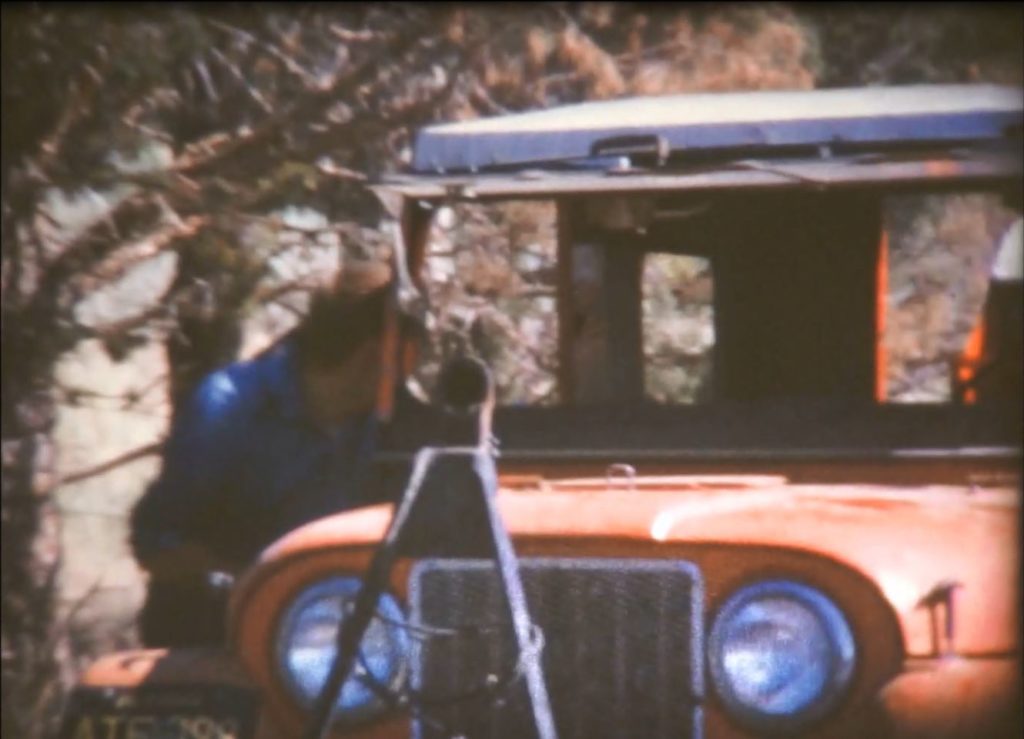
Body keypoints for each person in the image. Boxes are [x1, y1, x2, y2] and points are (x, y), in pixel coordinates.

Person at [130, 261, 417, 647]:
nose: (409, 384)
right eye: (408, 364)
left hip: (329, 645)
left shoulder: (388, 426)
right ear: (374, 357)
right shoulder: (229, 407)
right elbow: (156, 545)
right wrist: (255, 583)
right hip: (216, 639)